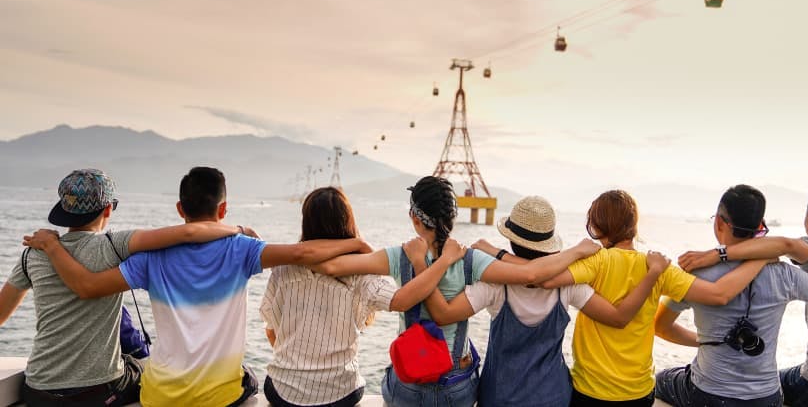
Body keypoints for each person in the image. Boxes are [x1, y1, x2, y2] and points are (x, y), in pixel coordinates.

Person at [23, 167, 373, 407]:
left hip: (160, 396)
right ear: (223, 208)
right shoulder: (243, 250)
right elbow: (303, 252)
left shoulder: (151, 256)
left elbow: (89, 286)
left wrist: (54, 248)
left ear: (180, 208)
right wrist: (357, 245)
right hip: (220, 398)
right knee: (248, 376)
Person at [310, 177, 600, 407]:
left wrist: (357, 244)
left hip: (409, 384)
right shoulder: (471, 260)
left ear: (414, 218)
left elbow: (331, 266)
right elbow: (531, 274)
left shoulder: (399, 255)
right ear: (453, 216)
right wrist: (576, 251)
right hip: (456, 385)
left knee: (392, 378)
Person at [0, 168, 241, 407]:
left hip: (38, 390)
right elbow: (189, 232)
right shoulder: (114, 246)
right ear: (107, 209)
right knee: (140, 365)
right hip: (97, 393)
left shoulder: (33, 254)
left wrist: (51, 244)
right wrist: (238, 230)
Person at [412, 195, 672, 407]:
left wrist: (422, 266)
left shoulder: (495, 284)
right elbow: (617, 318)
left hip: (500, 397)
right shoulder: (569, 286)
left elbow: (443, 314)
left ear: (511, 240)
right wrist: (652, 274)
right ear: (549, 243)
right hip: (554, 397)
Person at [539, 190, 775, 406]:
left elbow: (544, 277)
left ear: (596, 226)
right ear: (633, 225)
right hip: (639, 392)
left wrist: (576, 251)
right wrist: (760, 258)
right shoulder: (660, 268)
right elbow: (718, 295)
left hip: (591, 391)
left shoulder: (595, 261)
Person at [654, 185, 808, 406]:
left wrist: (708, 341)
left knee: (662, 378)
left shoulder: (695, 273)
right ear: (760, 226)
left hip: (709, 394)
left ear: (719, 222)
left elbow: (661, 326)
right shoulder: (785, 274)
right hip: (767, 397)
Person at [260, 187, 470, 407]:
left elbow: (271, 331)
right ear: (347, 222)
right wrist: (443, 261)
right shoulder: (360, 273)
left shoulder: (283, 268)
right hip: (339, 393)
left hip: (283, 391)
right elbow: (401, 300)